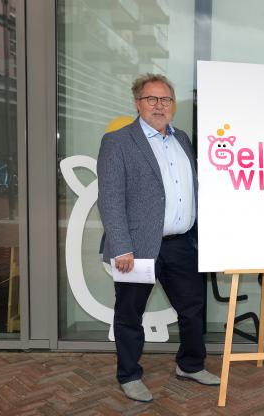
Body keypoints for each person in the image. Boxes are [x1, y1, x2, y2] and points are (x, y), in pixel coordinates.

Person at [97, 73, 219, 403]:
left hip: (182, 244)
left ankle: (191, 365)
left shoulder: (182, 140)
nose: (159, 105)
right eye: (151, 99)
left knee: (193, 310)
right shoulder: (118, 142)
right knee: (130, 314)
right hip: (136, 249)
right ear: (137, 103)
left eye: (165, 99)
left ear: (173, 105)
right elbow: (110, 198)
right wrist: (121, 246)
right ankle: (129, 375)